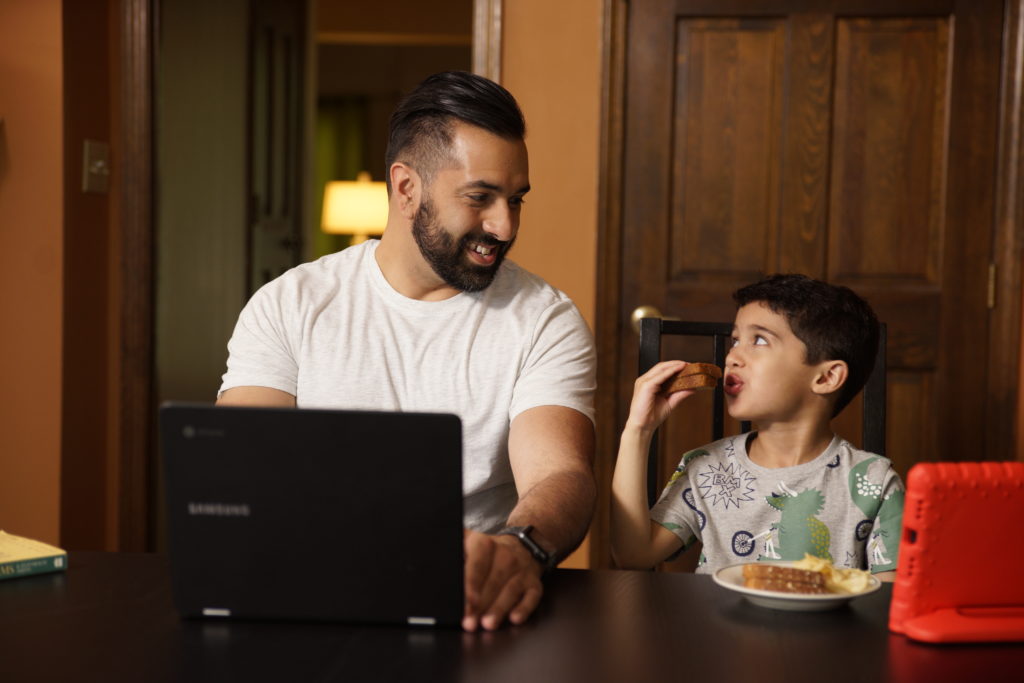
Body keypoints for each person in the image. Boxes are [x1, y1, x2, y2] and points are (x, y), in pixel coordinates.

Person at [217, 71, 597, 630]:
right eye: (480, 197)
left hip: (474, 606)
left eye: (515, 200)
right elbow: (241, 466)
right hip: (314, 593)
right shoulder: (290, 305)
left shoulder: (545, 319)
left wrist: (520, 551)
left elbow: (560, 475)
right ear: (405, 187)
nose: (505, 224)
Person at [611, 274, 904, 579]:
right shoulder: (706, 469)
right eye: (735, 340)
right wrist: (638, 430)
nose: (733, 356)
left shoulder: (874, 482)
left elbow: (888, 601)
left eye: (760, 340)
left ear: (826, 378)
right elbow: (634, 555)